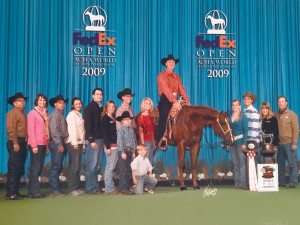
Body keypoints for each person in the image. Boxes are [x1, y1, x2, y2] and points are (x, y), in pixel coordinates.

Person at [157, 54, 189, 147]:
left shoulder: (177, 76)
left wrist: (186, 99)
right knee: (165, 113)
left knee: (187, 112)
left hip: (176, 99)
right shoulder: (161, 75)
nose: (172, 63)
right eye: (170, 62)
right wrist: (175, 102)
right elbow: (166, 90)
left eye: (173, 62)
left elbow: (181, 88)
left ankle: (185, 138)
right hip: (165, 99)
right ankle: (162, 137)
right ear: (166, 64)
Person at [6, 92, 28, 200]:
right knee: (14, 168)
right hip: (15, 141)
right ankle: (11, 193)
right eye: (19, 101)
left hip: (22, 142)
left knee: (19, 168)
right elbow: (11, 129)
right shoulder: (12, 113)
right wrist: (15, 143)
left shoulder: (23, 114)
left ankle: (15, 192)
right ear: (14, 103)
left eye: (23, 101)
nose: (22, 103)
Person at [27, 93, 49, 198]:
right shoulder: (32, 113)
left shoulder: (45, 113)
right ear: (36, 101)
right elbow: (31, 131)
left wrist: (47, 145)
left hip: (43, 143)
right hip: (36, 144)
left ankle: (32, 191)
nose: (42, 102)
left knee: (38, 167)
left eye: (44, 100)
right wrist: (34, 145)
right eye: (40, 100)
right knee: (35, 168)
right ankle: (35, 192)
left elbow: (46, 131)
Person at [275, 96, 299, 188]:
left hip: (289, 143)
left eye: (282, 101)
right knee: (280, 164)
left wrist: (294, 143)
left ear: (286, 103)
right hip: (280, 144)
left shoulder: (292, 114)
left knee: (292, 164)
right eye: (279, 102)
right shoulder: (276, 115)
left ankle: (293, 182)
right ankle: (281, 182)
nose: (280, 103)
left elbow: (296, 129)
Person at [84, 88, 105, 194]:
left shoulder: (100, 108)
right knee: (92, 164)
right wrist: (91, 140)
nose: (99, 96)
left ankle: (95, 187)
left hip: (100, 139)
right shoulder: (89, 108)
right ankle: (90, 188)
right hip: (94, 139)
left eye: (101, 94)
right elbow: (87, 126)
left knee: (97, 165)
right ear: (93, 96)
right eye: (97, 94)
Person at [48, 94, 69, 197]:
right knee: (56, 166)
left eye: (63, 103)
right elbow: (54, 131)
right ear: (55, 104)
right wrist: (59, 144)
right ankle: (54, 190)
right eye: (59, 103)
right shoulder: (55, 115)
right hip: (57, 143)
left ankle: (55, 189)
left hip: (60, 142)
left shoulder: (60, 115)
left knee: (57, 166)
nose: (62, 104)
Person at [66, 97, 85, 196]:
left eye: (79, 103)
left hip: (80, 142)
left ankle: (76, 188)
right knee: (74, 166)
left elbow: (82, 131)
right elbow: (72, 129)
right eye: (76, 104)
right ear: (73, 105)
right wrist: (74, 143)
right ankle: (72, 189)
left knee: (77, 166)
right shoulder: (71, 115)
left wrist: (83, 143)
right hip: (74, 143)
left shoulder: (79, 115)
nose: (78, 105)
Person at [227, 99, 248, 190]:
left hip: (240, 142)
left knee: (242, 162)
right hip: (232, 143)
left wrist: (244, 143)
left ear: (240, 106)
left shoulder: (243, 116)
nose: (235, 107)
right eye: (233, 105)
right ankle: (237, 182)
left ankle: (243, 183)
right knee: (236, 163)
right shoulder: (229, 116)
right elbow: (229, 131)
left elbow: (246, 130)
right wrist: (228, 143)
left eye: (236, 105)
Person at [116, 111, 136, 195]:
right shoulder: (121, 130)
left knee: (128, 170)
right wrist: (122, 152)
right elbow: (119, 141)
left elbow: (133, 142)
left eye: (129, 119)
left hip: (130, 151)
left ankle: (126, 187)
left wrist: (134, 152)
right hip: (123, 151)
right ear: (122, 121)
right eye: (126, 120)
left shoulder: (131, 130)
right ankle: (123, 188)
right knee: (123, 170)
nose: (128, 121)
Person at [101, 100, 118, 194]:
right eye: (109, 107)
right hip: (110, 146)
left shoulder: (114, 117)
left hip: (115, 145)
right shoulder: (105, 119)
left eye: (113, 107)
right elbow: (105, 134)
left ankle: (111, 186)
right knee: (109, 167)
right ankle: (108, 188)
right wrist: (107, 147)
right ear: (106, 108)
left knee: (112, 166)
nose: (111, 108)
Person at [242, 91, 260, 163]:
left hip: (253, 141)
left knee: (254, 162)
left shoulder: (254, 112)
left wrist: (251, 142)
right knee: (249, 163)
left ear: (252, 101)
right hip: (247, 141)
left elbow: (255, 128)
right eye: (245, 99)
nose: (246, 100)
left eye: (248, 99)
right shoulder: (244, 112)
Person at [136, 98, 155, 165]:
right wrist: (143, 145)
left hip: (151, 141)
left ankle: (149, 175)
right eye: (146, 103)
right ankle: (144, 175)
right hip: (145, 141)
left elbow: (152, 131)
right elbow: (141, 132)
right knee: (145, 162)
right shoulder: (141, 117)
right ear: (143, 105)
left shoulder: (150, 116)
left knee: (150, 161)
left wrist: (153, 142)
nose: (148, 105)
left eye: (149, 104)